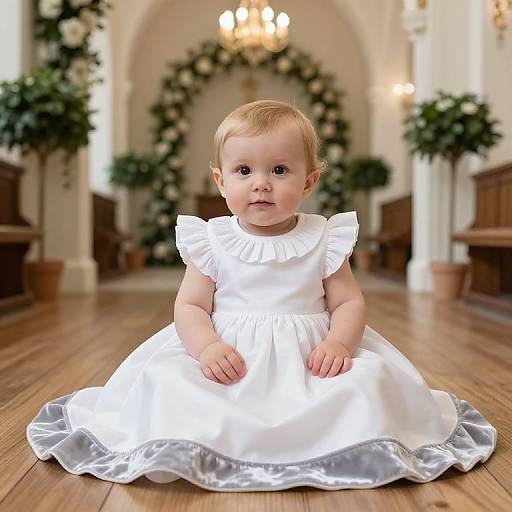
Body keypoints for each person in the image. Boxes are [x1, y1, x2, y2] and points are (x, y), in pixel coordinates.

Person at [26, 100, 496, 491]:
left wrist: (338, 343)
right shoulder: (211, 239)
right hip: (227, 351)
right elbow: (190, 306)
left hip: (310, 352)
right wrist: (207, 346)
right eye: (244, 170)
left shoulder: (324, 237)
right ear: (220, 181)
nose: (261, 183)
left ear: (309, 181)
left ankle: (339, 440)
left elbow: (348, 302)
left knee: (364, 383)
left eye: (280, 170)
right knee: (169, 382)